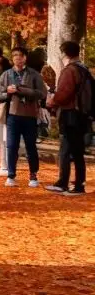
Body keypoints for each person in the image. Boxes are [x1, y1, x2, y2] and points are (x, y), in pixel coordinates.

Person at [0, 46, 48, 188]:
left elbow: (42, 93)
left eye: (20, 55)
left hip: (30, 115)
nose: (17, 58)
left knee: (31, 146)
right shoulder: (6, 74)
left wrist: (24, 91)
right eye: (15, 55)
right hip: (13, 115)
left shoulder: (34, 74)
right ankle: (11, 175)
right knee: (12, 146)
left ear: (25, 57)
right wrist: (8, 92)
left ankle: (33, 175)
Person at [47, 41, 92, 195]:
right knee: (67, 148)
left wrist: (53, 100)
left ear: (64, 53)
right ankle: (63, 182)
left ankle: (78, 185)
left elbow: (64, 94)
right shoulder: (84, 69)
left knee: (74, 150)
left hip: (70, 113)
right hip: (82, 114)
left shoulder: (70, 70)